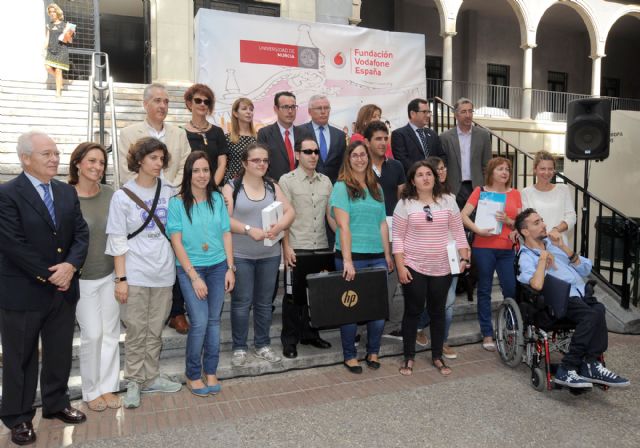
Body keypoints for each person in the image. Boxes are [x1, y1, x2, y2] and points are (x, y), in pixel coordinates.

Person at [0, 131, 89, 446]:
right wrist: (51, 274)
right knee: (20, 358)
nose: (55, 159)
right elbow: (12, 244)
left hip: (63, 291)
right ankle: (18, 416)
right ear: (25, 158)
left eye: (56, 153)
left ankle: (56, 403)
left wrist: (70, 267)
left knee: (59, 352)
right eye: (46, 154)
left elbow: (81, 233)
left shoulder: (66, 192)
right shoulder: (8, 194)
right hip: (23, 292)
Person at [106, 137, 182, 409]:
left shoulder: (169, 190)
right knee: (137, 330)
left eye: (162, 158)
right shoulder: (122, 196)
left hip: (163, 273)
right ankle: (135, 381)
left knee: (156, 329)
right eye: (153, 158)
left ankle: (152, 377)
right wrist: (121, 278)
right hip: (135, 274)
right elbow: (117, 240)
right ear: (139, 160)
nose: (159, 163)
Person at [515, 208, 630, 388]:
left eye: (542, 220)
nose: (544, 224)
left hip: (580, 295)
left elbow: (585, 270)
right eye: (537, 222)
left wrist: (562, 246)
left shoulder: (554, 245)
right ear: (525, 231)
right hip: (559, 301)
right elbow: (536, 285)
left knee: (598, 309)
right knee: (591, 315)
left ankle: (591, 363)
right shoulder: (526, 256)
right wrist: (543, 260)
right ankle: (568, 368)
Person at [118, 82, 192, 334]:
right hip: (142, 204)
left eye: (166, 101)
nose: (162, 106)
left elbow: (185, 164)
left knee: (176, 252)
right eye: (157, 101)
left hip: (172, 201)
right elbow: (124, 170)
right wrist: (152, 190)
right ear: (145, 104)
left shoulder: (179, 134)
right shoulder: (129, 133)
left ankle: (176, 310)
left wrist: (170, 188)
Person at [167, 151, 235, 397]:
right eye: (196, 170)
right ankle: (193, 373)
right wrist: (194, 277)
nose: (202, 175)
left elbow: (226, 232)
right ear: (188, 173)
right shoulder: (176, 203)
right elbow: (176, 242)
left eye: (206, 170)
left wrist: (230, 267)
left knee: (215, 321)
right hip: (190, 269)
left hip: (218, 266)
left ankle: (211, 371)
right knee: (200, 321)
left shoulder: (217, 199)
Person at [393, 160, 469, 376]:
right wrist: (400, 267)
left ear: (435, 177)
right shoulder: (405, 204)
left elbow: (458, 231)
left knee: (438, 312)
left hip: (443, 266)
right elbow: (397, 238)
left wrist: (464, 258)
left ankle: (437, 356)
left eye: (429, 173)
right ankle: (408, 357)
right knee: (413, 312)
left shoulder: (448, 201)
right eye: (420, 174)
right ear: (412, 180)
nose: (425, 177)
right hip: (413, 265)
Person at [222, 142, 295, 367]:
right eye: (256, 160)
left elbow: (290, 211)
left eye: (264, 160)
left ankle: (262, 344)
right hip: (242, 254)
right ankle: (240, 347)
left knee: (264, 303)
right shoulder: (232, 187)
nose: (261, 164)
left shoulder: (272, 186)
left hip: (269, 255)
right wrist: (248, 230)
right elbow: (225, 221)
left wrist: (279, 226)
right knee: (242, 303)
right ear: (244, 163)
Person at [330, 141, 393, 374]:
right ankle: (349, 355)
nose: (359, 159)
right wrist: (347, 261)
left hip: (376, 255)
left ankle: (373, 351)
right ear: (348, 159)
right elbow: (343, 227)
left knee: (377, 310)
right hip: (351, 257)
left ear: (369, 157)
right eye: (355, 155)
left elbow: (382, 223)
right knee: (351, 309)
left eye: (363, 155)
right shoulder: (341, 186)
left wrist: (387, 254)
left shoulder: (376, 187)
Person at [68, 142, 121, 412]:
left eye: (101, 163)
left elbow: (120, 234)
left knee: (111, 333)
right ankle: (90, 390)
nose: (97, 167)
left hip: (109, 274)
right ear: (77, 163)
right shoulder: (65, 196)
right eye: (91, 161)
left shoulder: (111, 195)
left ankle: (108, 385)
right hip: (82, 279)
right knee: (93, 334)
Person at [279, 137, 335, 359]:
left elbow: (330, 216)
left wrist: (341, 238)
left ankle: (310, 335)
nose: (313, 156)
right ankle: (290, 340)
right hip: (297, 246)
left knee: (315, 295)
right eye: (308, 151)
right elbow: (283, 216)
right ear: (298, 154)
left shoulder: (326, 182)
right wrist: (286, 246)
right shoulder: (287, 180)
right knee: (293, 297)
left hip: (320, 245)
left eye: (316, 152)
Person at [461, 157, 522, 351]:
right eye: (500, 169)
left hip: (507, 249)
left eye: (507, 169)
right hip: (483, 247)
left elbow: (521, 223)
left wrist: (509, 221)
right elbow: (462, 215)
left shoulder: (516, 194)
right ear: (491, 172)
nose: (504, 172)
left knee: (511, 290)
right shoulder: (480, 191)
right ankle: (487, 333)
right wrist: (477, 230)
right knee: (485, 290)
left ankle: (510, 329)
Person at [363, 121, 406, 340]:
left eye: (384, 138)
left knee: (391, 278)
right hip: (365, 233)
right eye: (377, 139)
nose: (382, 143)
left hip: (392, 231)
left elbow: (401, 199)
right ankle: (364, 328)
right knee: (367, 280)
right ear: (367, 142)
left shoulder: (396, 167)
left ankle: (382, 324)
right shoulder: (358, 166)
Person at [439, 98, 492, 210]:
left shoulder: (483, 136)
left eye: (470, 111)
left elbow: (487, 165)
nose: (468, 115)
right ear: (456, 115)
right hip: (454, 188)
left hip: (477, 187)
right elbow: (443, 165)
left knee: (476, 223)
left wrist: (487, 188)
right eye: (463, 112)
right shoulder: (445, 137)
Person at [521, 150, 576, 245]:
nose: (547, 172)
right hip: (536, 246)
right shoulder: (526, 192)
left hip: (560, 245)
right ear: (535, 170)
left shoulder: (563, 189)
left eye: (550, 169)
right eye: (542, 168)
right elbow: (527, 222)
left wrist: (556, 230)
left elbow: (571, 217)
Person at [183, 84, 228, 186]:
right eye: (198, 100)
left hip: (214, 189)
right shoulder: (181, 132)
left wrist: (212, 188)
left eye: (206, 102)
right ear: (190, 104)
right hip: (190, 190)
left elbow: (222, 164)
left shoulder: (218, 131)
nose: (202, 104)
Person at [257, 91, 306, 181]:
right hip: (274, 187)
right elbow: (261, 163)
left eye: (293, 107)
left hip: (301, 188)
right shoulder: (265, 133)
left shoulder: (304, 134)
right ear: (276, 109)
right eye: (285, 107)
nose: (290, 111)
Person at [299, 94, 346, 183]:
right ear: (310, 111)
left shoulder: (340, 135)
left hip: (333, 186)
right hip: (306, 185)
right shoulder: (300, 132)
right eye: (319, 108)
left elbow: (343, 164)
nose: (323, 111)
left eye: (326, 108)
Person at [391, 98, 446, 173]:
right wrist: (422, 172)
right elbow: (402, 160)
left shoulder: (432, 134)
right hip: (412, 179)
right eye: (424, 112)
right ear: (412, 114)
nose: (429, 115)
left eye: (429, 112)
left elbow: (441, 155)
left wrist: (434, 171)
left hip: (433, 179)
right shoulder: (399, 134)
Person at [224, 97, 257, 183]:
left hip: (254, 182)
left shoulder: (259, 137)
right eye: (244, 109)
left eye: (251, 109)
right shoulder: (227, 138)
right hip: (233, 183)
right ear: (235, 113)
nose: (249, 112)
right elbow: (223, 164)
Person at [44, 3, 71, 97]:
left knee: (58, 70)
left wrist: (67, 32)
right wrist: (44, 49)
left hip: (62, 49)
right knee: (47, 67)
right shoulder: (49, 26)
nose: (52, 13)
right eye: (50, 12)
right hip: (51, 49)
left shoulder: (65, 25)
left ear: (57, 12)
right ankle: (61, 80)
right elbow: (47, 38)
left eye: (54, 11)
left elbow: (70, 40)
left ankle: (58, 93)